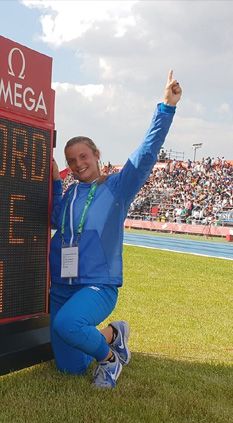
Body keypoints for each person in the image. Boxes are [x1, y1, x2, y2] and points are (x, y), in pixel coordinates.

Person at [48, 70, 182, 389]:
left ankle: (109, 361)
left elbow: (145, 155)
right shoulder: (70, 193)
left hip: (97, 285)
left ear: (97, 155)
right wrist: (55, 183)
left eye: (83, 156)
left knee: (69, 324)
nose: (78, 163)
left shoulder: (117, 187)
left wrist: (166, 108)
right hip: (62, 285)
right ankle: (113, 334)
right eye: (71, 160)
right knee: (69, 368)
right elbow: (54, 220)